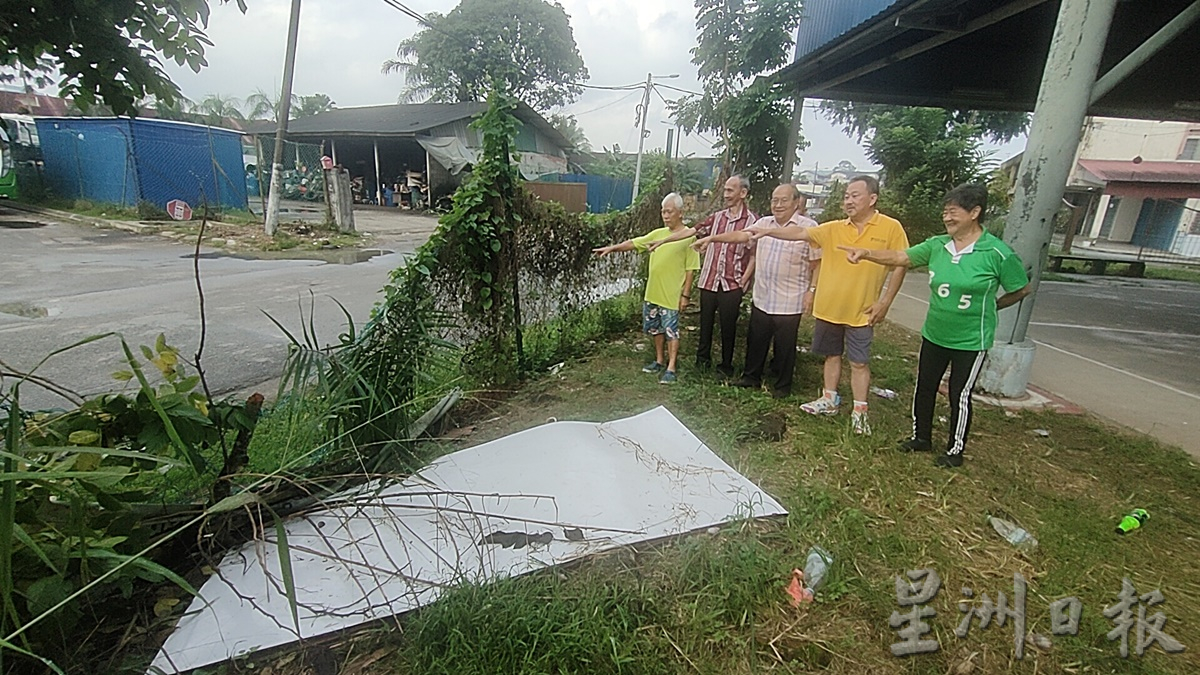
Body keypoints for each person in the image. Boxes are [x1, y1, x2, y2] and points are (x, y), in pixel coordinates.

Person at [838, 184, 1032, 467]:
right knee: (924, 386)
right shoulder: (937, 245)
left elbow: (1021, 289)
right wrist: (865, 253)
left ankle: (955, 450)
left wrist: (994, 305)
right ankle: (921, 438)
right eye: (946, 212)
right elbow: (901, 257)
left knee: (959, 394)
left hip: (971, 339)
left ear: (975, 213)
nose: (948, 218)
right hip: (935, 333)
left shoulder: (996, 252)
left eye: (954, 212)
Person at [747, 175, 908, 434]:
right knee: (831, 355)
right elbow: (800, 232)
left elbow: (902, 262)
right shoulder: (833, 228)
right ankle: (829, 398)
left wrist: (885, 302)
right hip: (830, 307)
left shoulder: (890, 228)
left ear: (872, 198)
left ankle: (860, 411)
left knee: (859, 362)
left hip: (862, 310)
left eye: (855, 195)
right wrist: (768, 230)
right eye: (846, 196)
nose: (848, 200)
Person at [694, 184, 818, 398]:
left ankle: (782, 386)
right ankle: (751, 377)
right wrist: (712, 239)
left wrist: (812, 291)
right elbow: (740, 236)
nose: (777, 205)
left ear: (796, 202)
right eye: (774, 200)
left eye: (783, 200)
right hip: (763, 295)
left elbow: (817, 262)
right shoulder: (763, 223)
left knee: (785, 346)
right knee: (757, 339)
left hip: (790, 298)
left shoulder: (808, 228)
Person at [646, 176, 757, 377]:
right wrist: (663, 242)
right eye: (725, 190)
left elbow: (754, 255)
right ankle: (702, 362)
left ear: (743, 193)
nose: (726, 195)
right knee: (705, 324)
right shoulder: (717, 218)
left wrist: (744, 280)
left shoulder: (752, 221)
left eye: (730, 191)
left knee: (728, 326)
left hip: (732, 282)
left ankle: (726, 366)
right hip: (710, 280)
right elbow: (689, 232)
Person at [593, 193, 701, 384]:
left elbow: (690, 270)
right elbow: (634, 243)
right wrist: (612, 248)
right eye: (663, 212)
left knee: (671, 331)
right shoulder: (658, 234)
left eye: (669, 212)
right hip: (653, 293)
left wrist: (685, 295)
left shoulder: (688, 237)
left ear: (680, 213)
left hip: (671, 295)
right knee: (656, 330)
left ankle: (672, 367)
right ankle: (659, 360)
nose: (665, 216)